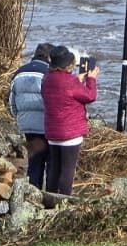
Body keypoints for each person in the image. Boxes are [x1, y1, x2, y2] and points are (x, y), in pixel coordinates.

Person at [40, 45, 98, 197]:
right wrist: (91, 79)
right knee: (67, 169)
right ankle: (63, 200)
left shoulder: (46, 79)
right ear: (67, 65)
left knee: (54, 168)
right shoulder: (70, 82)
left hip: (52, 132)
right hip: (70, 133)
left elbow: (63, 90)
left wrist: (77, 80)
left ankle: (50, 199)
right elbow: (90, 96)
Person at [8, 42, 55, 188]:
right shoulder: (49, 73)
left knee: (34, 160)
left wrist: (19, 117)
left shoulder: (19, 72)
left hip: (26, 124)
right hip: (45, 124)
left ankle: (33, 192)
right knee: (51, 161)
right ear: (50, 58)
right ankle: (48, 194)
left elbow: (11, 102)